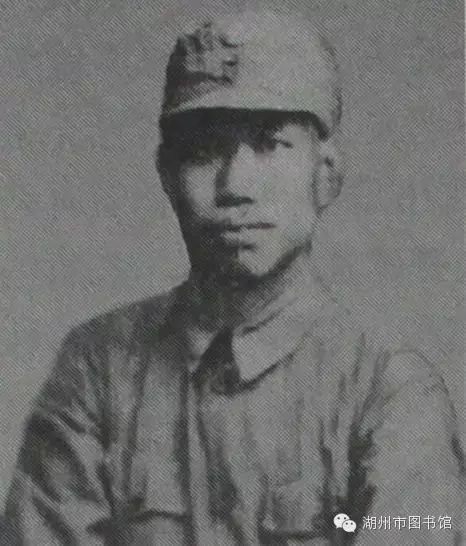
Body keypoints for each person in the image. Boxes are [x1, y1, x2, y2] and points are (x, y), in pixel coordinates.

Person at [5, 9, 464, 545]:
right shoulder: (97, 370)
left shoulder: (390, 392)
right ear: (167, 177)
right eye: (203, 152)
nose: (235, 185)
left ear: (326, 175)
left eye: (269, 144)